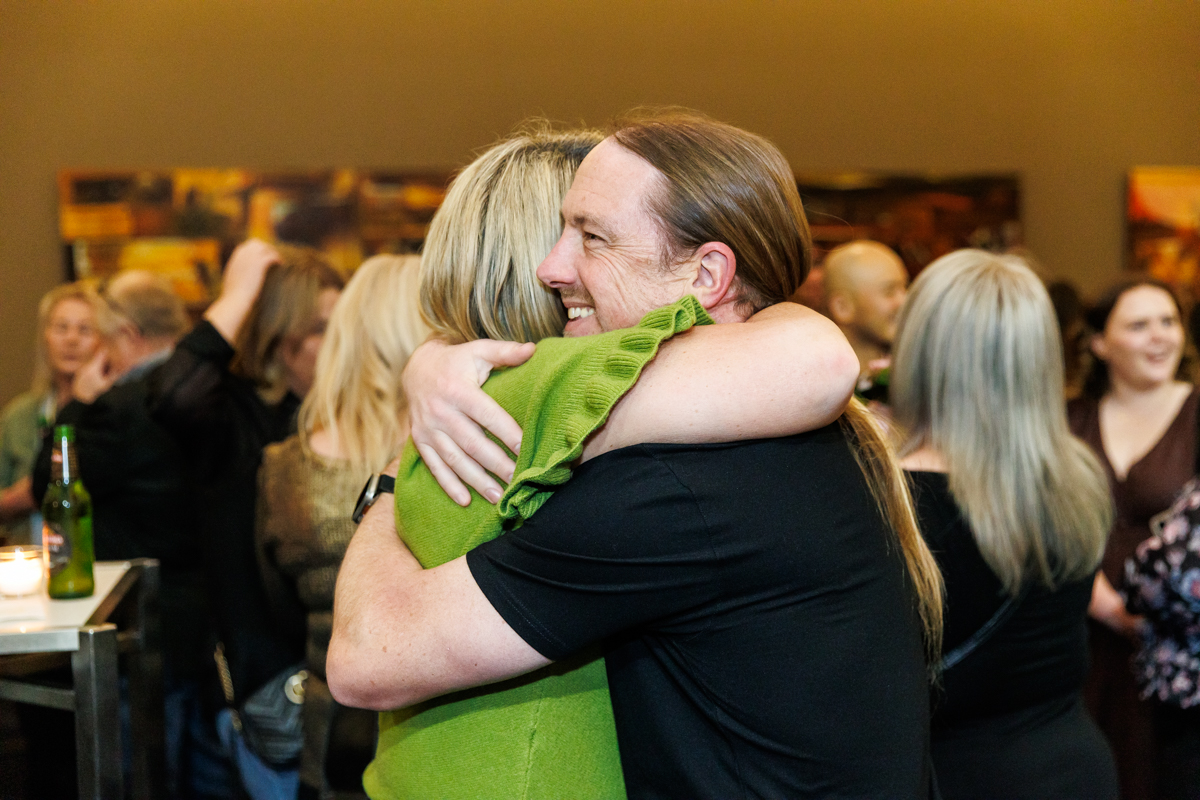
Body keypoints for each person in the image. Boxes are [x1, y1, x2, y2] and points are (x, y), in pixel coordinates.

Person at [329, 111, 944, 799]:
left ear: (707, 273)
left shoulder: (683, 486)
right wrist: (436, 362)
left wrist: (392, 479)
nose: (551, 267)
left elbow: (368, 657)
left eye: (592, 236)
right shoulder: (770, 438)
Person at [891, 250, 1118, 799]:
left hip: (956, 776)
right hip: (1074, 767)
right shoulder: (1078, 476)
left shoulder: (897, 500)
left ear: (920, 349)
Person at [146, 239, 344, 799]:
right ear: (278, 338)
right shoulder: (233, 417)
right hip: (269, 691)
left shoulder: (346, 414)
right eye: (320, 327)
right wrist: (237, 296)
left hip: (342, 685)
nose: (340, 341)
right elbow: (173, 394)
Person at [27, 270, 213, 796]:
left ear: (128, 334)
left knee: (142, 778)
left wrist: (78, 404)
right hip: (207, 617)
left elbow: (49, 486)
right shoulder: (209, 390)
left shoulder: (122, 408)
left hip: (147, 624)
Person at [256, 254, 428, 799]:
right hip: (435, 727)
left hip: (329, 731)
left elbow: (277, 601)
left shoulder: (286, 466)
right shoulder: (452, 452)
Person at [1069, 277, 1194, 800]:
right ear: (1100, 343)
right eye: (1139, 325)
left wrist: (1141, 614)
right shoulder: (1070, 418)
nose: (1159, 336)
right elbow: (1049, 520)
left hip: (1173, 645)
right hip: (1082, 631)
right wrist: (1104, 605)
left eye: (1168, 322)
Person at [0, 282, 107, 545]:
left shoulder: (113, 414)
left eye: (85, 329)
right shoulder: (19, 415)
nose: (72, 339)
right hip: (29, 557)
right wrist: (23, 497)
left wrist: (37, 489)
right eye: (61, 328)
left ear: (104, 339)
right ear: (45, 337)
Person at [822, 239, 909, 391]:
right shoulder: (825, 382)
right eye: (889, 291)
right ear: (842, 307)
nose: (904, 301)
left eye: (905, 287)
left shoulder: (909, 367)